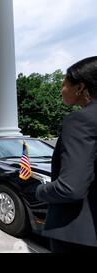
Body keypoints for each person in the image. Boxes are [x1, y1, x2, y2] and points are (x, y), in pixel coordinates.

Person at [36, 56, 97, 252]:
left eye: (64, 84)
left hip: (77, 234)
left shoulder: (81, 120)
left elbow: (70, 189)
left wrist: (39, 190)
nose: (61, 90)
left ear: (80, 88)